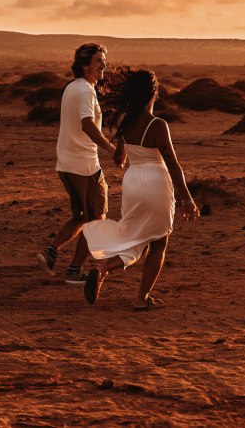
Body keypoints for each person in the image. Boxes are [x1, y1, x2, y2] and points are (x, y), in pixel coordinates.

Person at [81, 68, 198, 311]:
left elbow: (119, 158)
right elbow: (172, 163)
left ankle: (104, 269)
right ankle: (141, 299)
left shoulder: (125, 122)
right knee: (158, 242)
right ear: (153, 93)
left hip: (133, 181)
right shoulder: (157, 124)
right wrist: (187, 198)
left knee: (138, 236)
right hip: (155, 181)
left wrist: (126, 156)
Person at [36, 43, 116, 284]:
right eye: (98, 60)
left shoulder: (72, 87)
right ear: (85, 66)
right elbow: (87, 124)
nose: (104, 65)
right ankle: (74, 270)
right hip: (85, 165)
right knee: (97, 219)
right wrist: (111, 149)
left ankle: (50, 253)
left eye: (104, 60)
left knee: (83, 215)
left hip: (67, 163)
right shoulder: (85, 91)